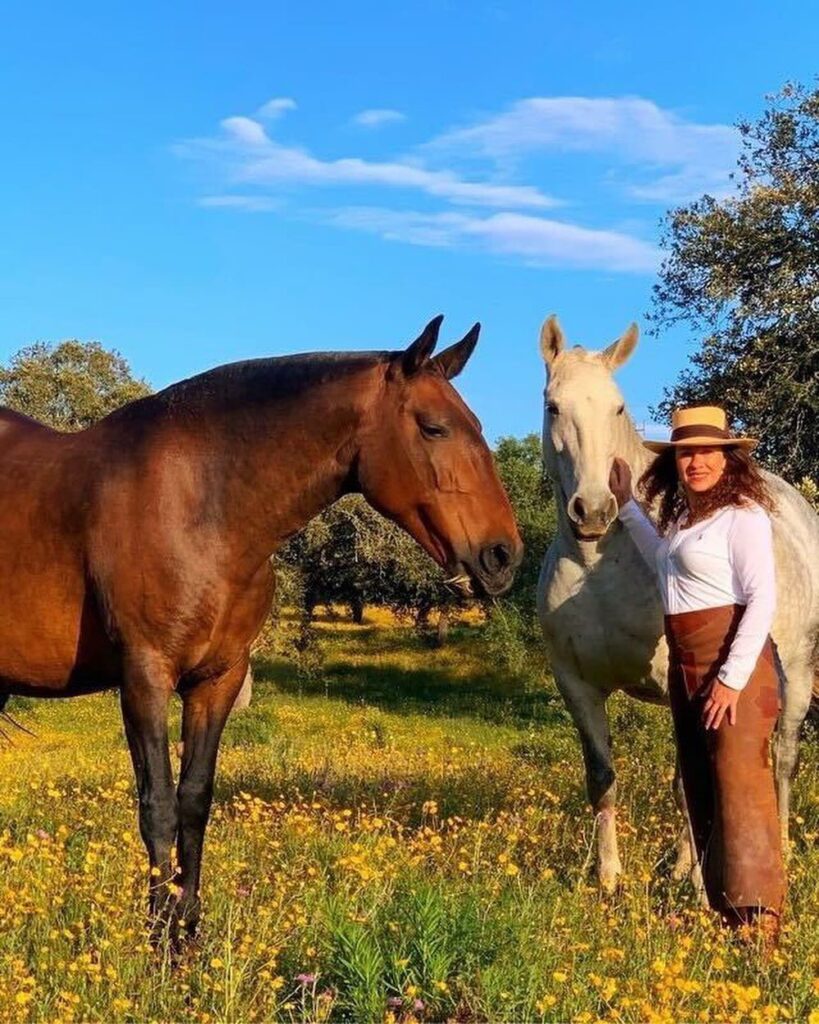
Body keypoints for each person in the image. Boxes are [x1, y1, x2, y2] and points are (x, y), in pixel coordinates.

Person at [609, 405, 784, 943]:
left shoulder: (744, 516)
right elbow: (663, 562)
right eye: (686, 453)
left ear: (728, 460)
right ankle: (728, 911)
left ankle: (762, 924)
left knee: (741, 783)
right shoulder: (687, 522)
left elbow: (762, 599)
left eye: (707, 452)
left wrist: (731, 678)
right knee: (703, 784)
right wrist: (625, 509)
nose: (696, 462)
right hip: (689, 666)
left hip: (737, 664)